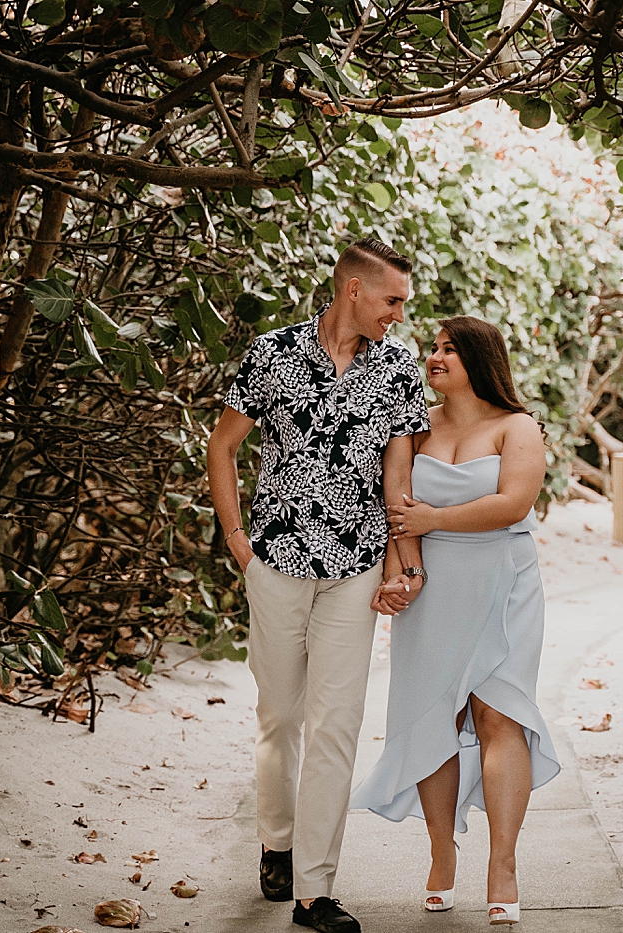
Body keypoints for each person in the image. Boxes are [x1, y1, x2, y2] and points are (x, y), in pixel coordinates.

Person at [206, 238, 431, 933]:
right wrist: (240, 542)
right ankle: (277, 842)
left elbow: (399, 481)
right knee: (279, 715)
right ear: (354, 290)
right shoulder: (271, 354)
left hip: (354, 566)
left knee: (336, 724)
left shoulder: (398, 367)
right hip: (274, 560)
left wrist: (402, 562)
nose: (399, 312)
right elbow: (223, 447)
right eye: (392, 299)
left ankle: (315, 890)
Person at [350, 316, 560, 926]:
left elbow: (513, 504)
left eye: (449, 350)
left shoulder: (516, 427)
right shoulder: (413, 425)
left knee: (501, 714)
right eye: (434, 349)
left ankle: (503, 863)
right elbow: (393, 509)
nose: (435, 357)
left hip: (504, 581)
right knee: (431, 715)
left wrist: (433, 521)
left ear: (480, 360)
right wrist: (400, 571)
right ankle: (442, 852)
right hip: (432, 586)